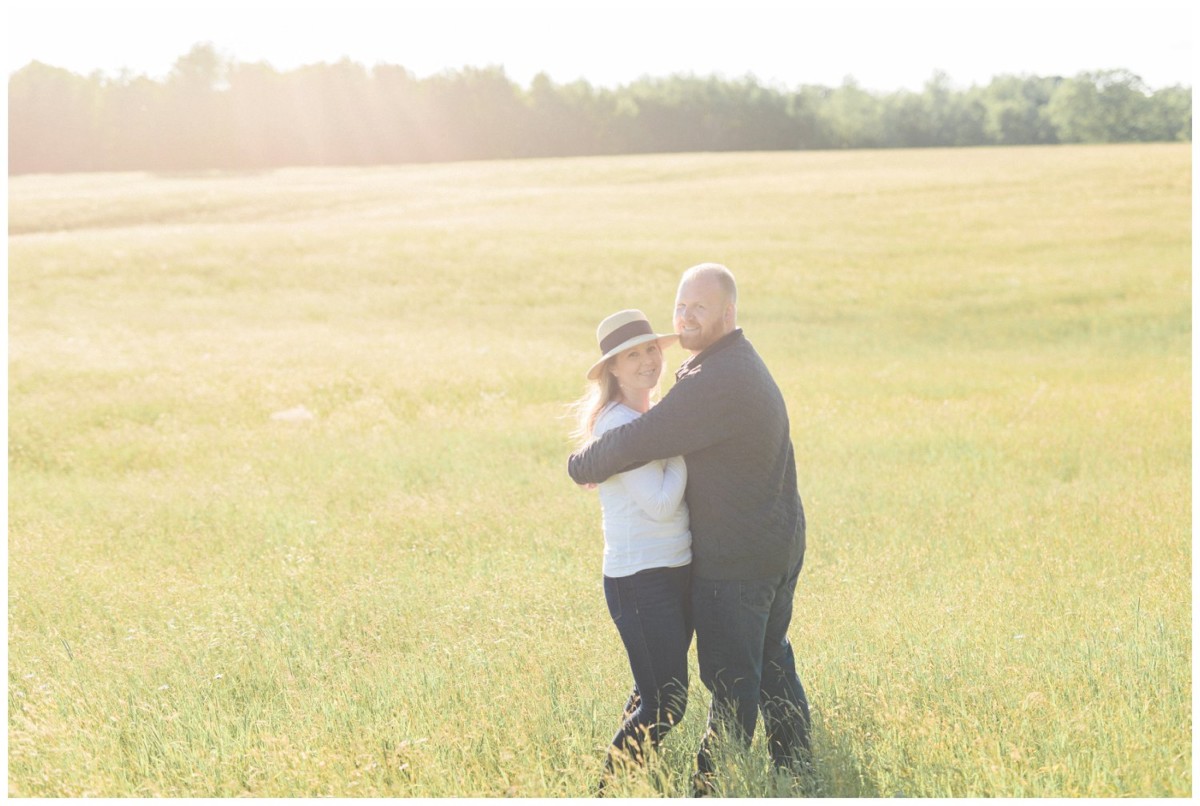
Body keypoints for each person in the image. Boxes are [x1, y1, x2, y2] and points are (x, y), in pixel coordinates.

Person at [568, 264, 811, 795]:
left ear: (729, 313)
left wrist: (583, 464)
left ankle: (709, 789)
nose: (686, 317)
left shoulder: (720, 377)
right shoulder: (727, 366)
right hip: (772, 543)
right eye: (680, 307)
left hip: (740, 559)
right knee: (769, 660)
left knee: (731, 682)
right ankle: (798, 770)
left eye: (699, 307)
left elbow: (647, 437)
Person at [569, 308, 694, 792]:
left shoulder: (647, 417)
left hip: (671, 573)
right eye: (632, 355)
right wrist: (684, 446)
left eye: (650, 350)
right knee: (668, 703)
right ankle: (604, 791)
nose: (647, 361)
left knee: (652, 693)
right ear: (613, 370)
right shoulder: (620, 424)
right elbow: (661, 505)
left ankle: (627, 783)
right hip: (641, 580)